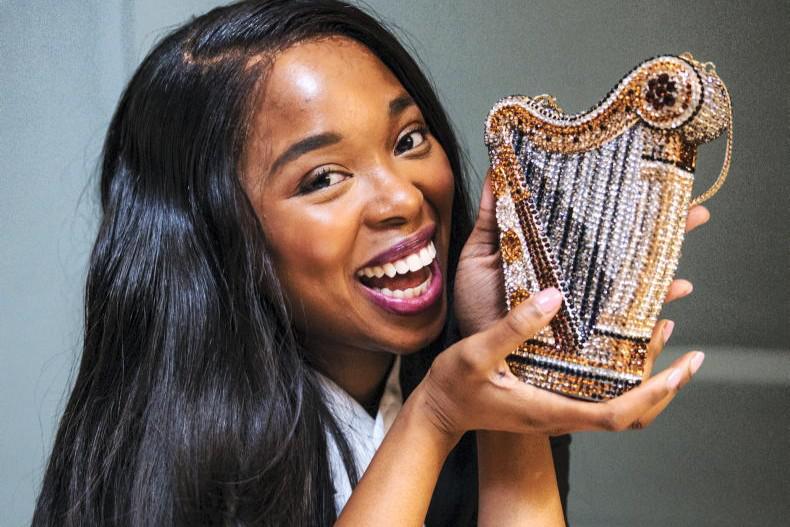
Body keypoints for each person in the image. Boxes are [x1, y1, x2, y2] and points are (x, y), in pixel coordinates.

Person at [32, 1, 710, 525]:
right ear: (213, 234)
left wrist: (501, 365)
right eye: (324, 177)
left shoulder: (468, 378)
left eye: (408, 138)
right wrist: (435, 417)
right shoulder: (159, 461)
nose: (401, 198)